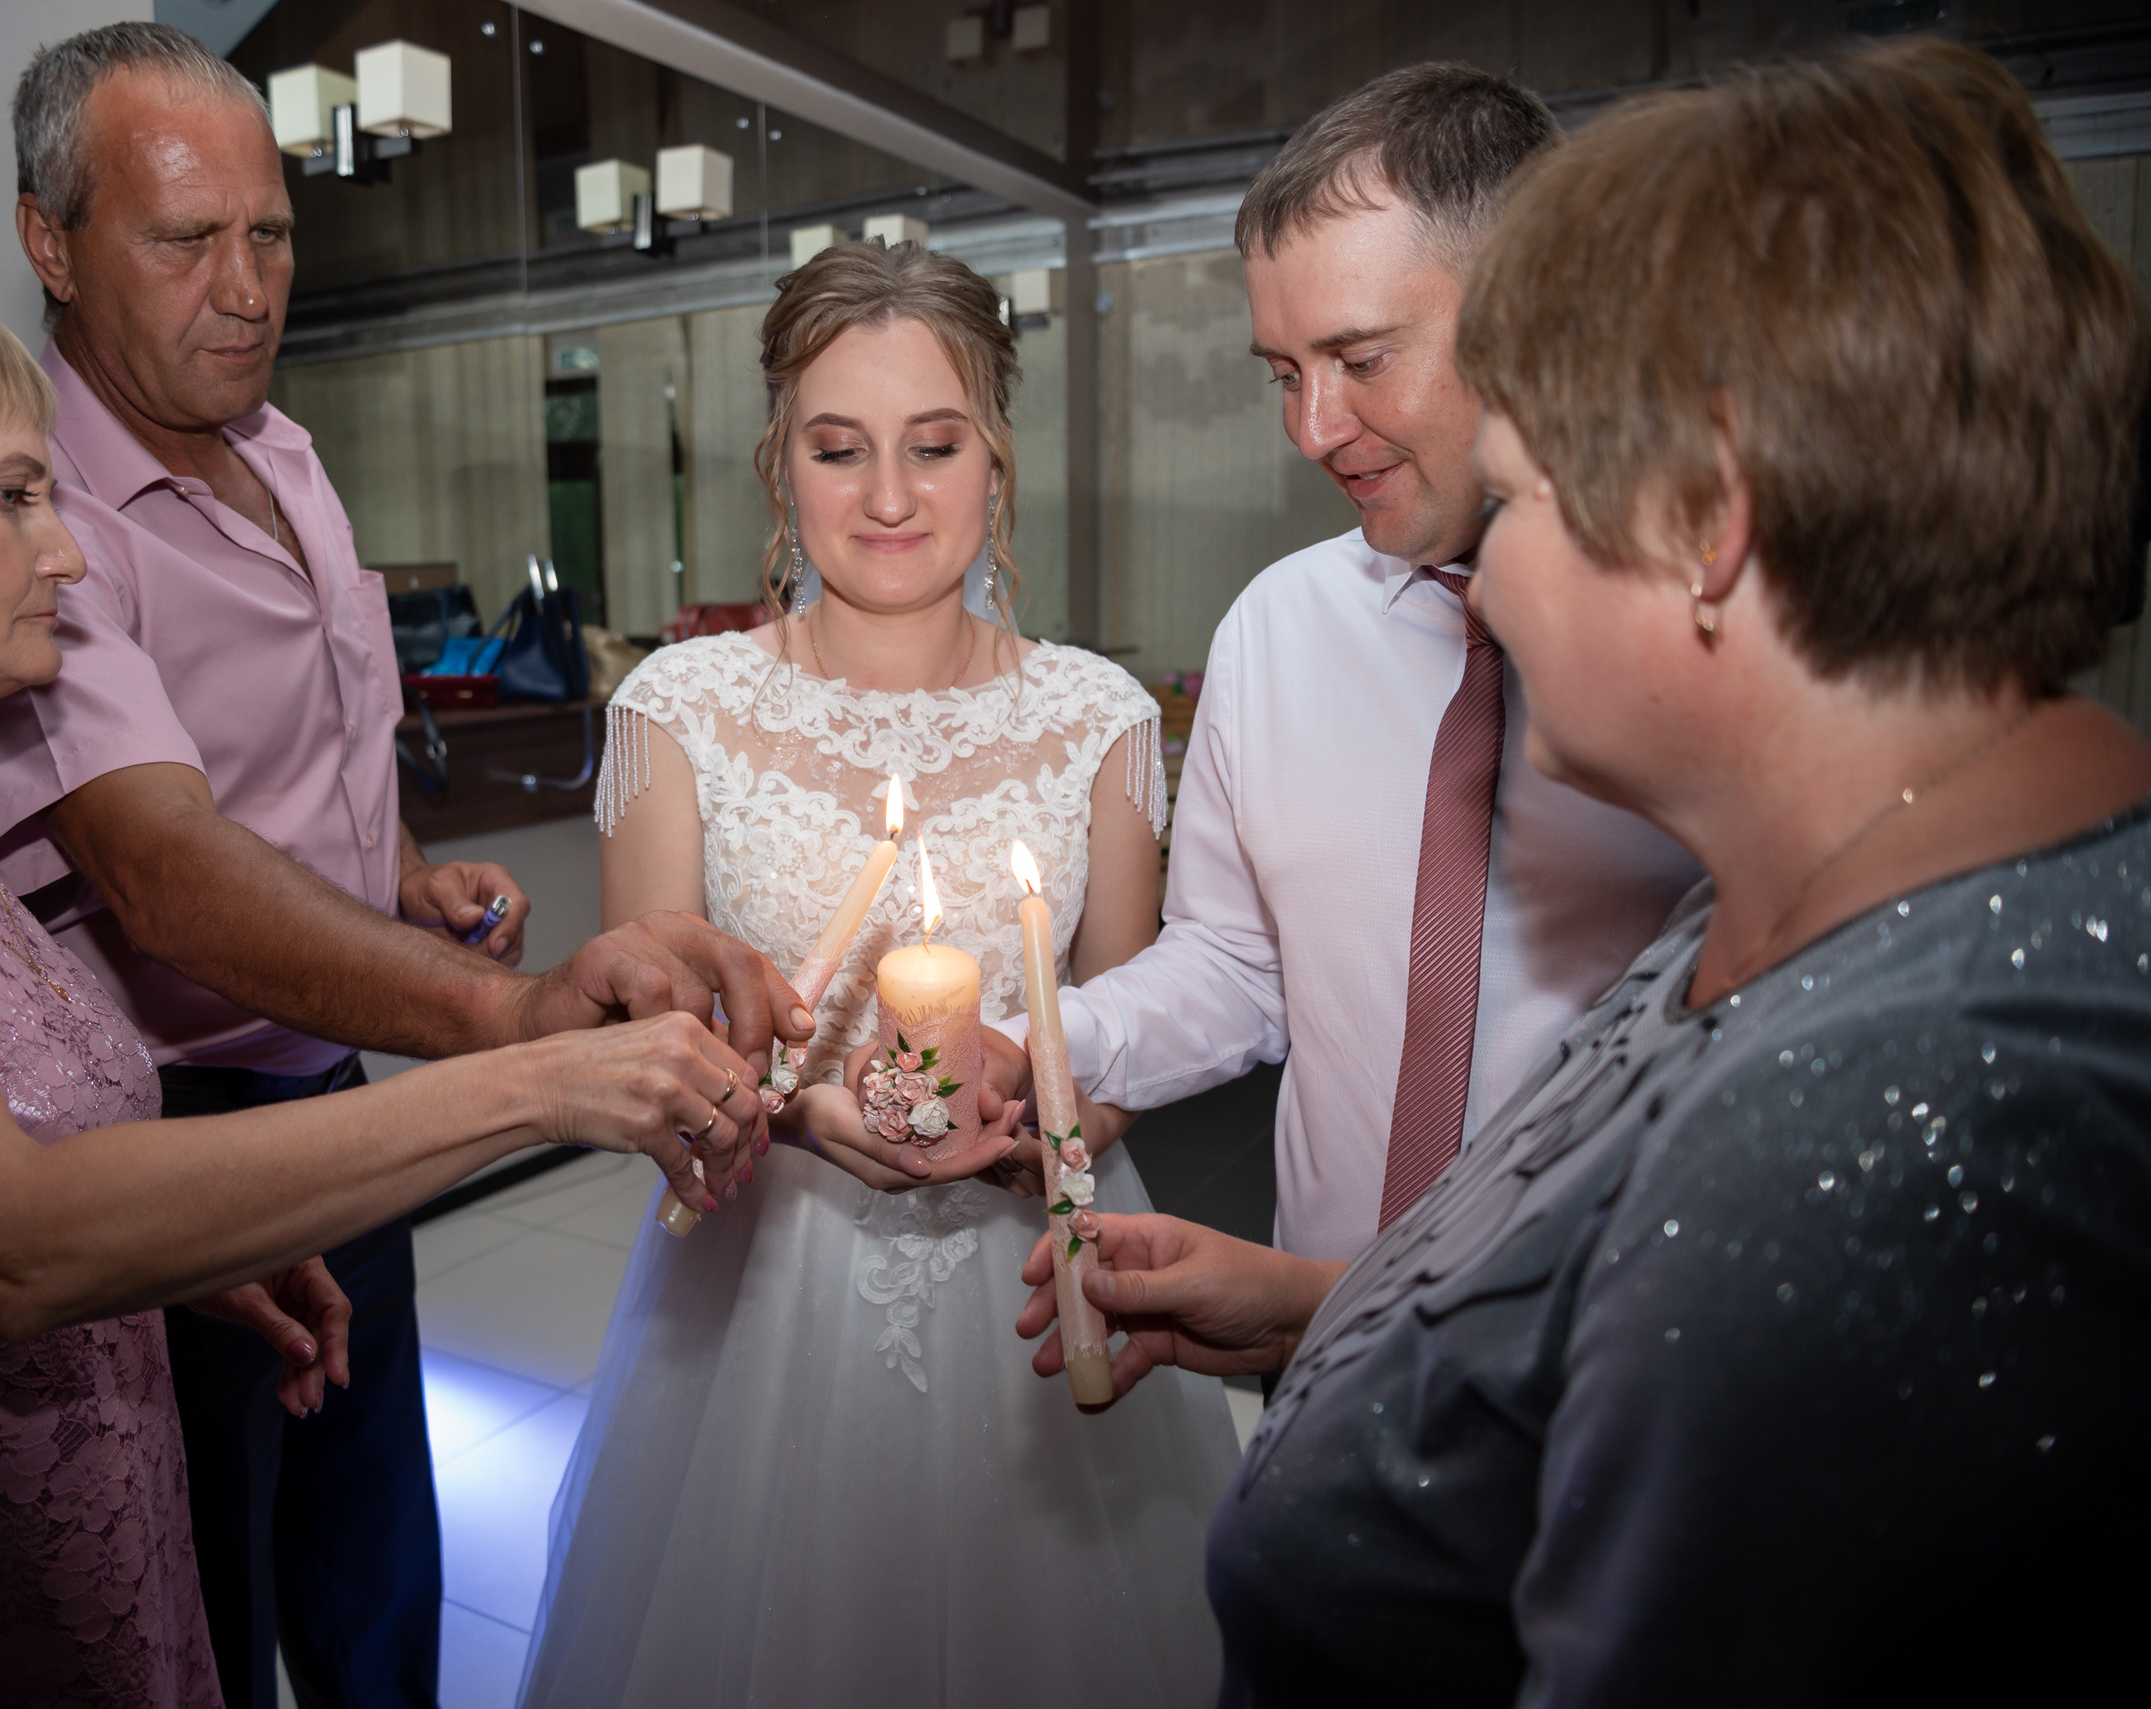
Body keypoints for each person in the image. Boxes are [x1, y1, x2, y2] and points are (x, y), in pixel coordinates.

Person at [1019, 40, 2151, 1704]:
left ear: (1709, 515)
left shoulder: (1869, 1097)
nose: (1486, 587)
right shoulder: (1770, 921)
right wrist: (1321, 1312)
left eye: (1531, 492)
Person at [0, 238, 775, 1704]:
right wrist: (539, 1077)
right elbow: (2, 1233)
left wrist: (192, 1261)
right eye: (14, 497)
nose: (70, 550)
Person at [0, 26, 807, 1707]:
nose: (246, 285)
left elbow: (302, 738)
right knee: (202, 1576)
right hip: (161, 1116)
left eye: (270, 232)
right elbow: (164, 866)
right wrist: (517, 1013)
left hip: (330, 1071)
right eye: (186, 240)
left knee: (375, 1545)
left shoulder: (281, 448)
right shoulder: (35, 509)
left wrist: (385, 863)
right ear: (50, 240)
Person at [518, 241, 1241, 1708]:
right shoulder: (678, 712)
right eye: (838, 449)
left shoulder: (1099, 717)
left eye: (936, 444)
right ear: (779, 464)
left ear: (1000, 460)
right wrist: (793, 1117)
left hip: (1030, 1274)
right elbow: (650, 1052)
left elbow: (1125, 1034)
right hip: (756, 1287)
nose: (891, 498)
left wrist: (1026, 1122)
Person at [1011, 65, 1702, 1268]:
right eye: (1282, 374)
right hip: (1316, 1334)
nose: (1310, 430)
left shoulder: (1714, 632)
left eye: (1361, 359)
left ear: (1536, 312)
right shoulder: (1276, 629)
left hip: (1613, 1359)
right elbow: (1238, 960)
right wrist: (1037, 1048)